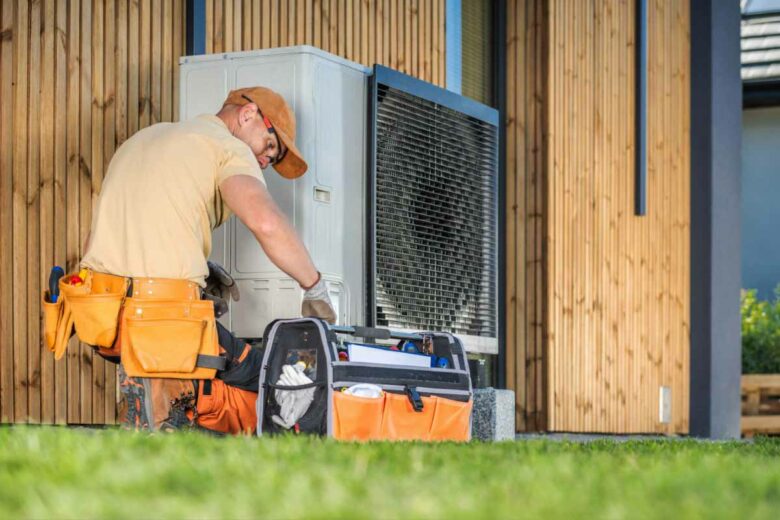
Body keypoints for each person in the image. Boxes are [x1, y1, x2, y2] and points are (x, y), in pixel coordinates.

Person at [78, 86, 336, 434]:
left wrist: (193, 267)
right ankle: (170, 405)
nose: (265, 162)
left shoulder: (146, 138)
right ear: (248, 115)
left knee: (203, 358)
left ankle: (156, 395)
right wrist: (315, 287)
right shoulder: (227, 146)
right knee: (268, 373)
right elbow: (266, 222)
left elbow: (98, 238)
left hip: (102, 319)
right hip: (162, 318)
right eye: (269, 147)